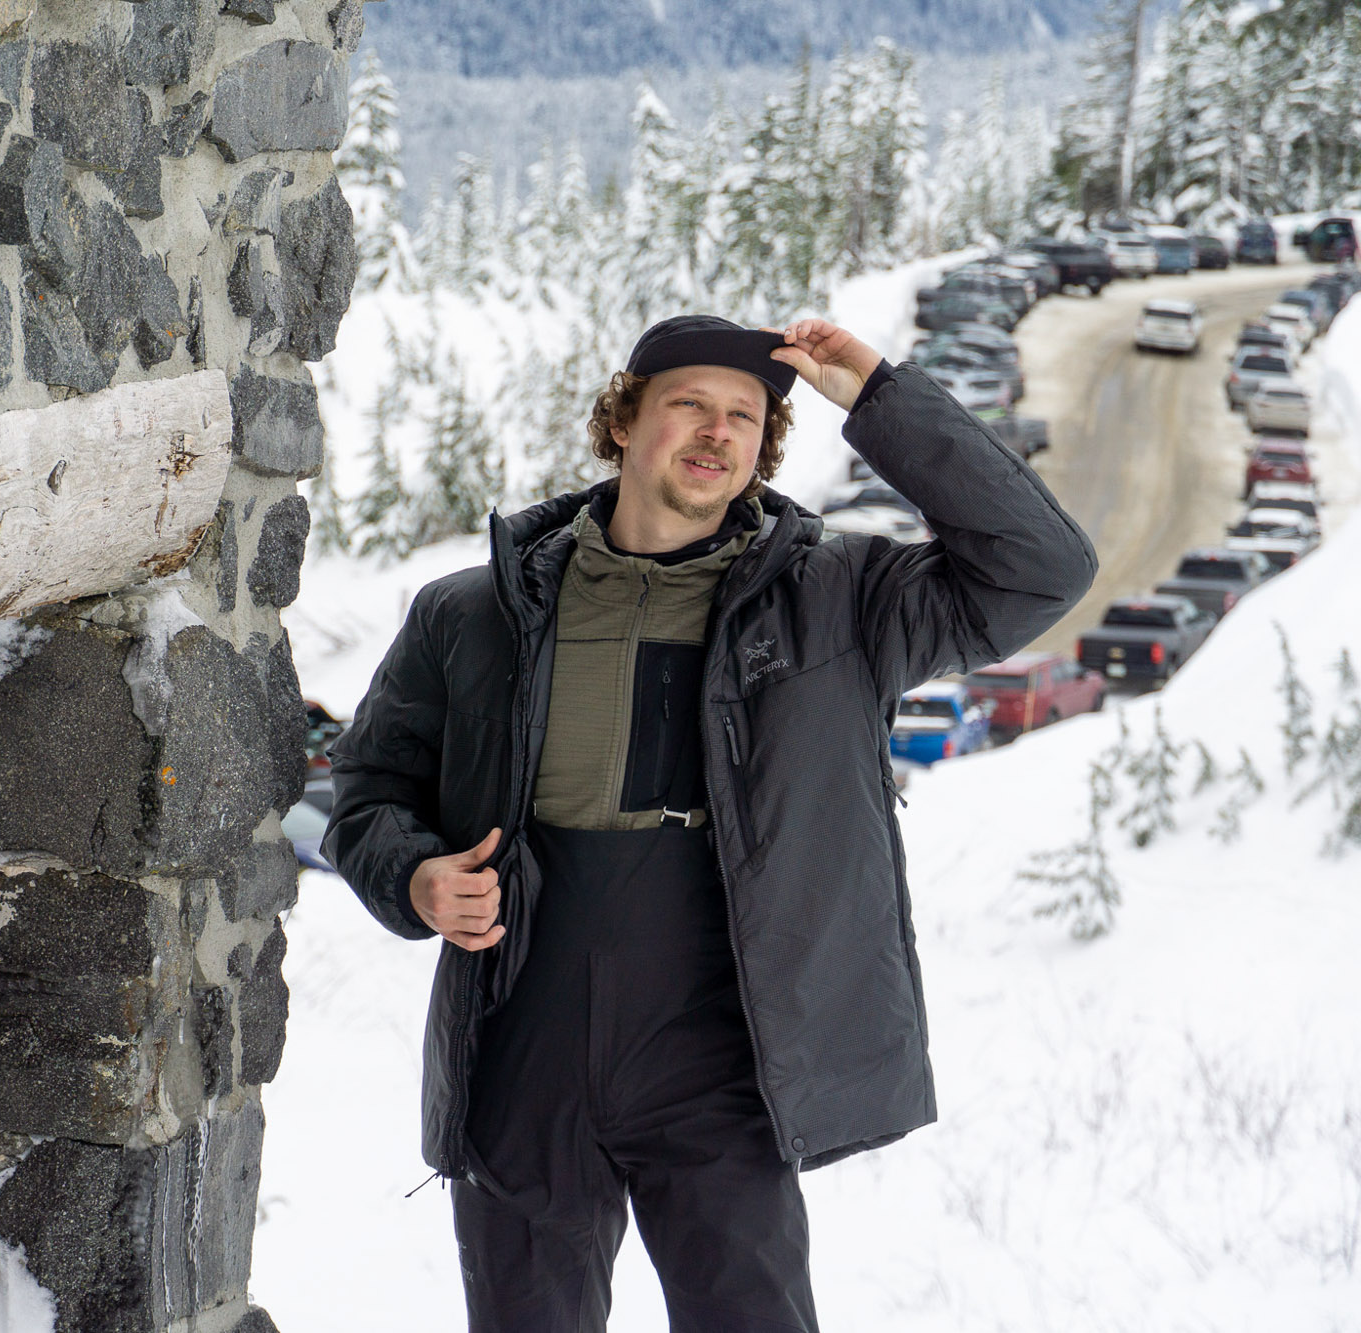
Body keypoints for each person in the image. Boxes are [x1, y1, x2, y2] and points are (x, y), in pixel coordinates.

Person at [320, 314, 1098, 1332]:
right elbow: (366, 792)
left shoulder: (843, 604)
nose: (716, 431)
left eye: (743, 416)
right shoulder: (474, 612)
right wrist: (415, 876)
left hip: (722, 1054)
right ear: (623, 417)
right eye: (688, 402)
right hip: (522, 1047)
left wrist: (877, 396)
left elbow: (1040, 566)